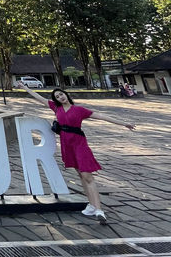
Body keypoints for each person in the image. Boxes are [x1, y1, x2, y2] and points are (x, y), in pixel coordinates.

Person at [19, 82, 136, 225]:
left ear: (66, 94)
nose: (60, 97)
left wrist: (123, 123)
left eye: (61, 94)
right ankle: (92, 205)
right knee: (81, 175)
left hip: (79, 144)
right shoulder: (56, 108)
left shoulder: (79, 110)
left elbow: (100, 116)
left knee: (87, 175)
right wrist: (25, 88)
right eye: (57, 96)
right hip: (67, 146)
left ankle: (99, 210)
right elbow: (39, 98)